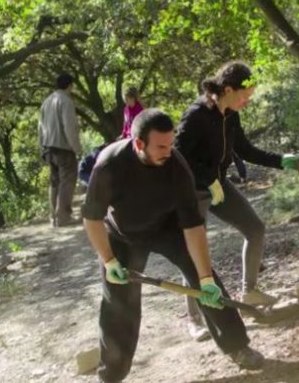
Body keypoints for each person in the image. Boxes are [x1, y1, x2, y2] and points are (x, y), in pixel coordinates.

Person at [82, 109, 264, 383]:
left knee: (206, 281)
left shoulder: (176, 166)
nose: (168, 151)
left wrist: (205, 278)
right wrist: (108, 261)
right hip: (122, 236)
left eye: (170, 143)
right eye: (161, 146)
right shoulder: (110, 165)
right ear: (139, 143)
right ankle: (111, 376)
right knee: (118, 304)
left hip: (167, 229)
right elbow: (92, 219)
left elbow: (193, 226)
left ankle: (237, 346)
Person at [174, 61, 299, 341]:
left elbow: (244, 150)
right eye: (245, 96)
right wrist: (207, 179)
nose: (248, 101)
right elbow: (177, 156)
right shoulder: (196, 115)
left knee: (255, 229)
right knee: (195, 253)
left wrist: (280, 160)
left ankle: (250, 291)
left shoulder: (231, 115)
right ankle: (194, 320)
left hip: (219, 185)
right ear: (228, 90)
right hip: (193, 190)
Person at [38, 73, 82, 227]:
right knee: (67, 181)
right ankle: (64, 217)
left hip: (48, 148)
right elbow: (69, 127)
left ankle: (54, 218)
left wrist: (42, 147)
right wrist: (77, 148)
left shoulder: (46, 102)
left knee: (54, 182)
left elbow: (40, 128)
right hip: (63, 148)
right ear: (69, 85)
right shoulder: (66, 101)